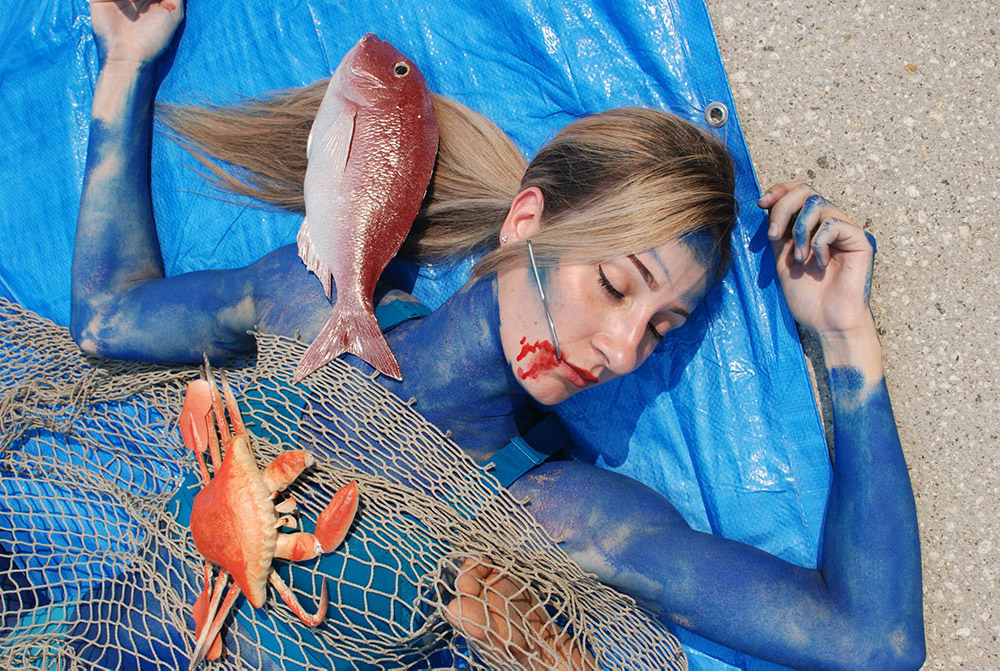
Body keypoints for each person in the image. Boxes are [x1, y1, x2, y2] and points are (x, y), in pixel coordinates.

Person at [74, 1, 925, 669]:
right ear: (526, 222)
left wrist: (846, 339)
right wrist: (127, 65)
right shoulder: (311, 293)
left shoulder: (556, 515)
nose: (621, 349)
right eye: (616, 285)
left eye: (659, 330)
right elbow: (109, 318)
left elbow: (871, 640)